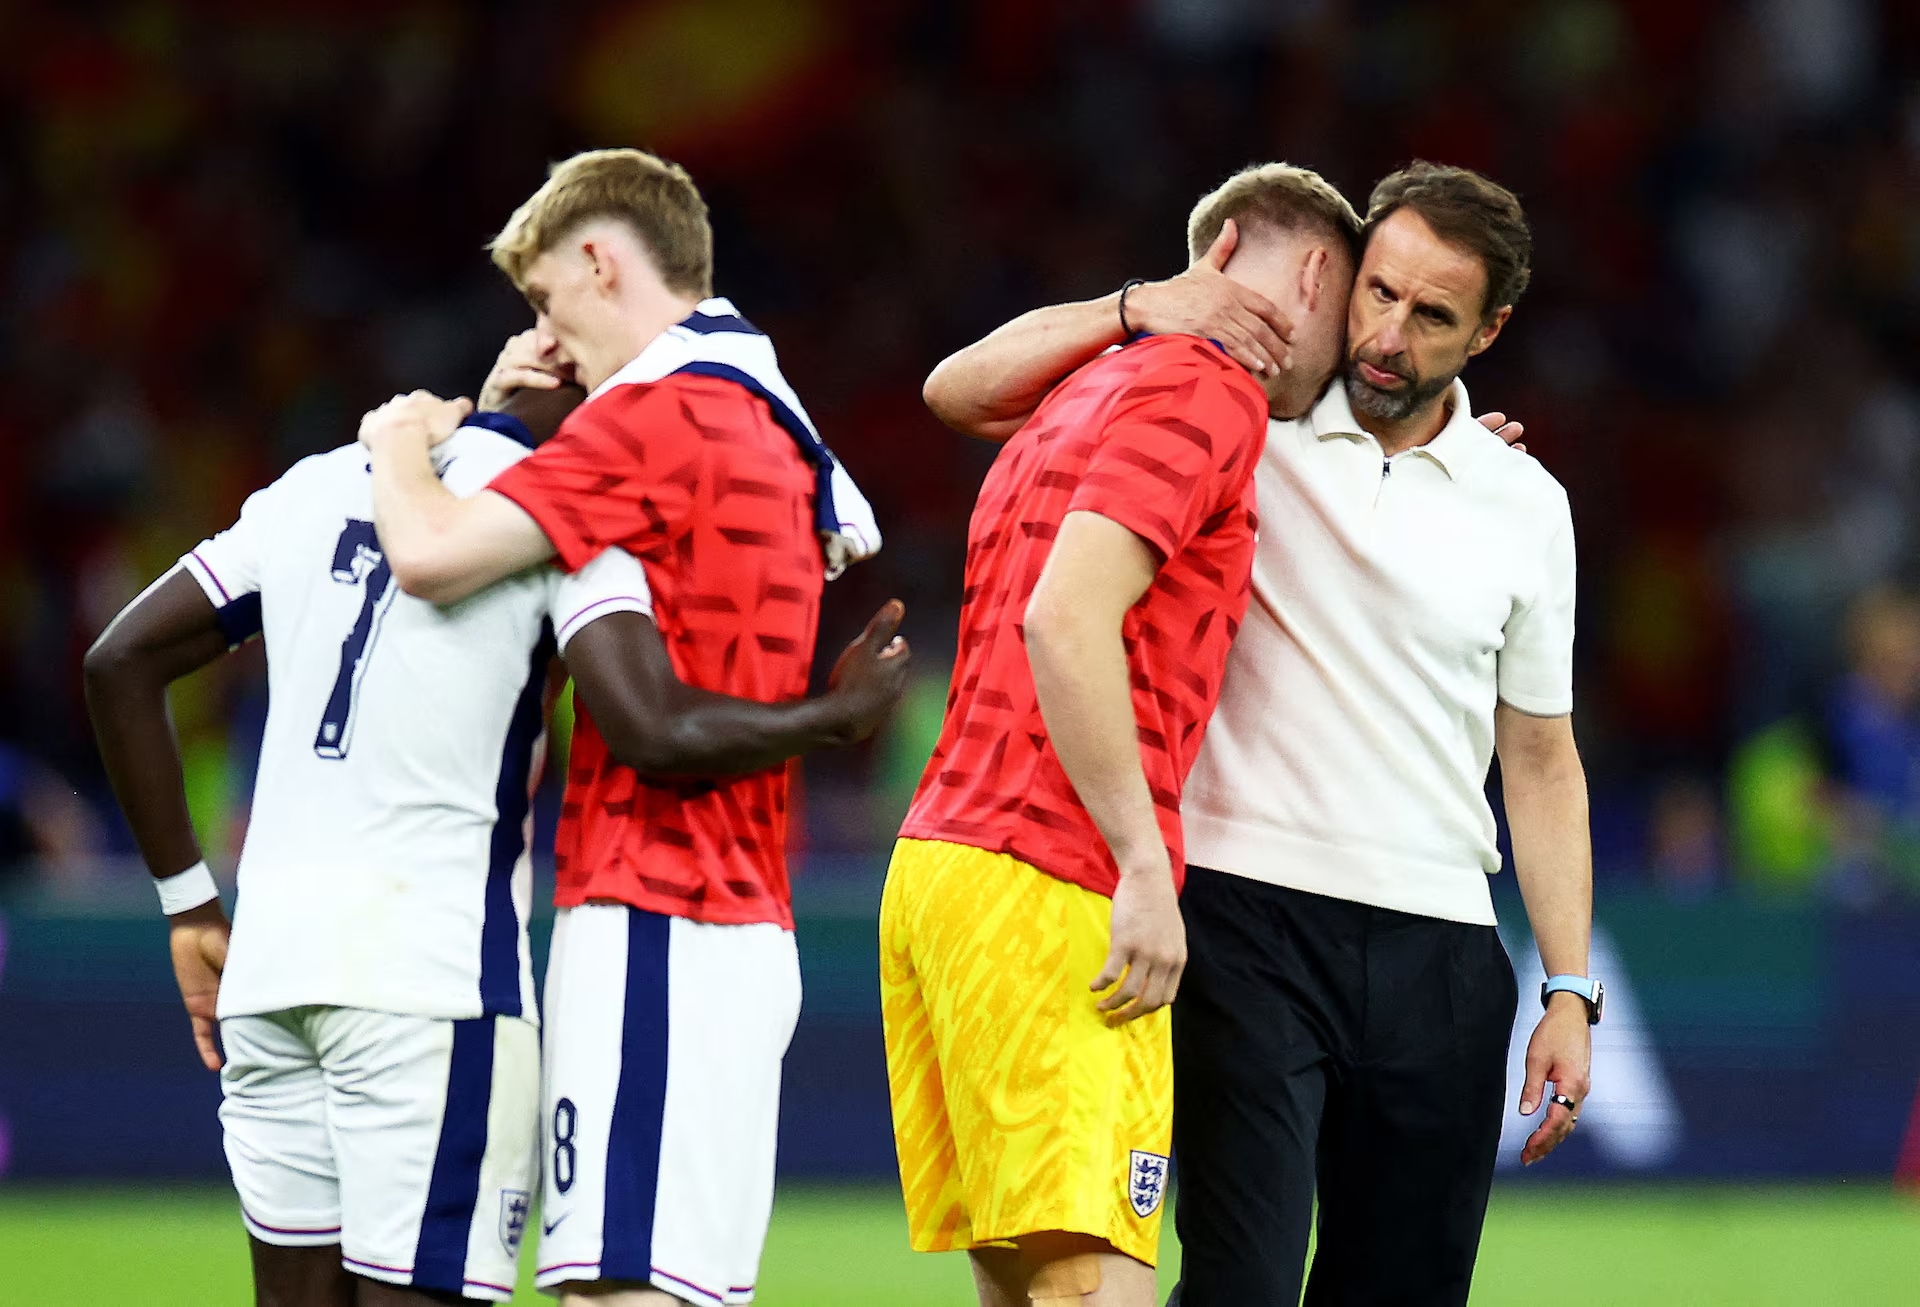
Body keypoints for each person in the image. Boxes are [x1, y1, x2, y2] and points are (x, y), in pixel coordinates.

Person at [926, 160, 1596, 1306]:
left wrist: (1571, 986)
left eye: (1432, 316)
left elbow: (1540, 758)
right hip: (1246, 918)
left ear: (1490, 330)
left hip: (1440, 945)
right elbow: (959, 388)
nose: (1386, 336)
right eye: (1377, 293)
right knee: (1238, 1282)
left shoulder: (1525, 502)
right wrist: (1145, 301)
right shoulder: (1249, 407)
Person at [82, 379, 907, 1307]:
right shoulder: (558, 513)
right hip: (430, 982)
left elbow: (117, 661)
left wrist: (188, 901)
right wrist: (833, 717)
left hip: (270, 976)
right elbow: (651, 726)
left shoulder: (310, 488)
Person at [357, 147, 881, 1307]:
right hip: (736, 917)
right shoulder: (761, 410)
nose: (550, 338)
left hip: (657, 912)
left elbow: (431, 554)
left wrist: (399, 442)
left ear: (601, 261)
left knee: (619, 1293)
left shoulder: (653, 415)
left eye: (546, 302)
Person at [882, 166, 1372, 1307]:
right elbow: (1067, 616)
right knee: (1097, 1282)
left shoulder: (1093, 379)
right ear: (1307, 270)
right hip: (1055, 875)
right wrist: (1145, 864)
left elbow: (951, 387)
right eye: (1349, 306)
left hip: (944, 866)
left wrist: (1127, 309)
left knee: (1030, 1280)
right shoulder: (1212, 394)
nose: (1351, 348)